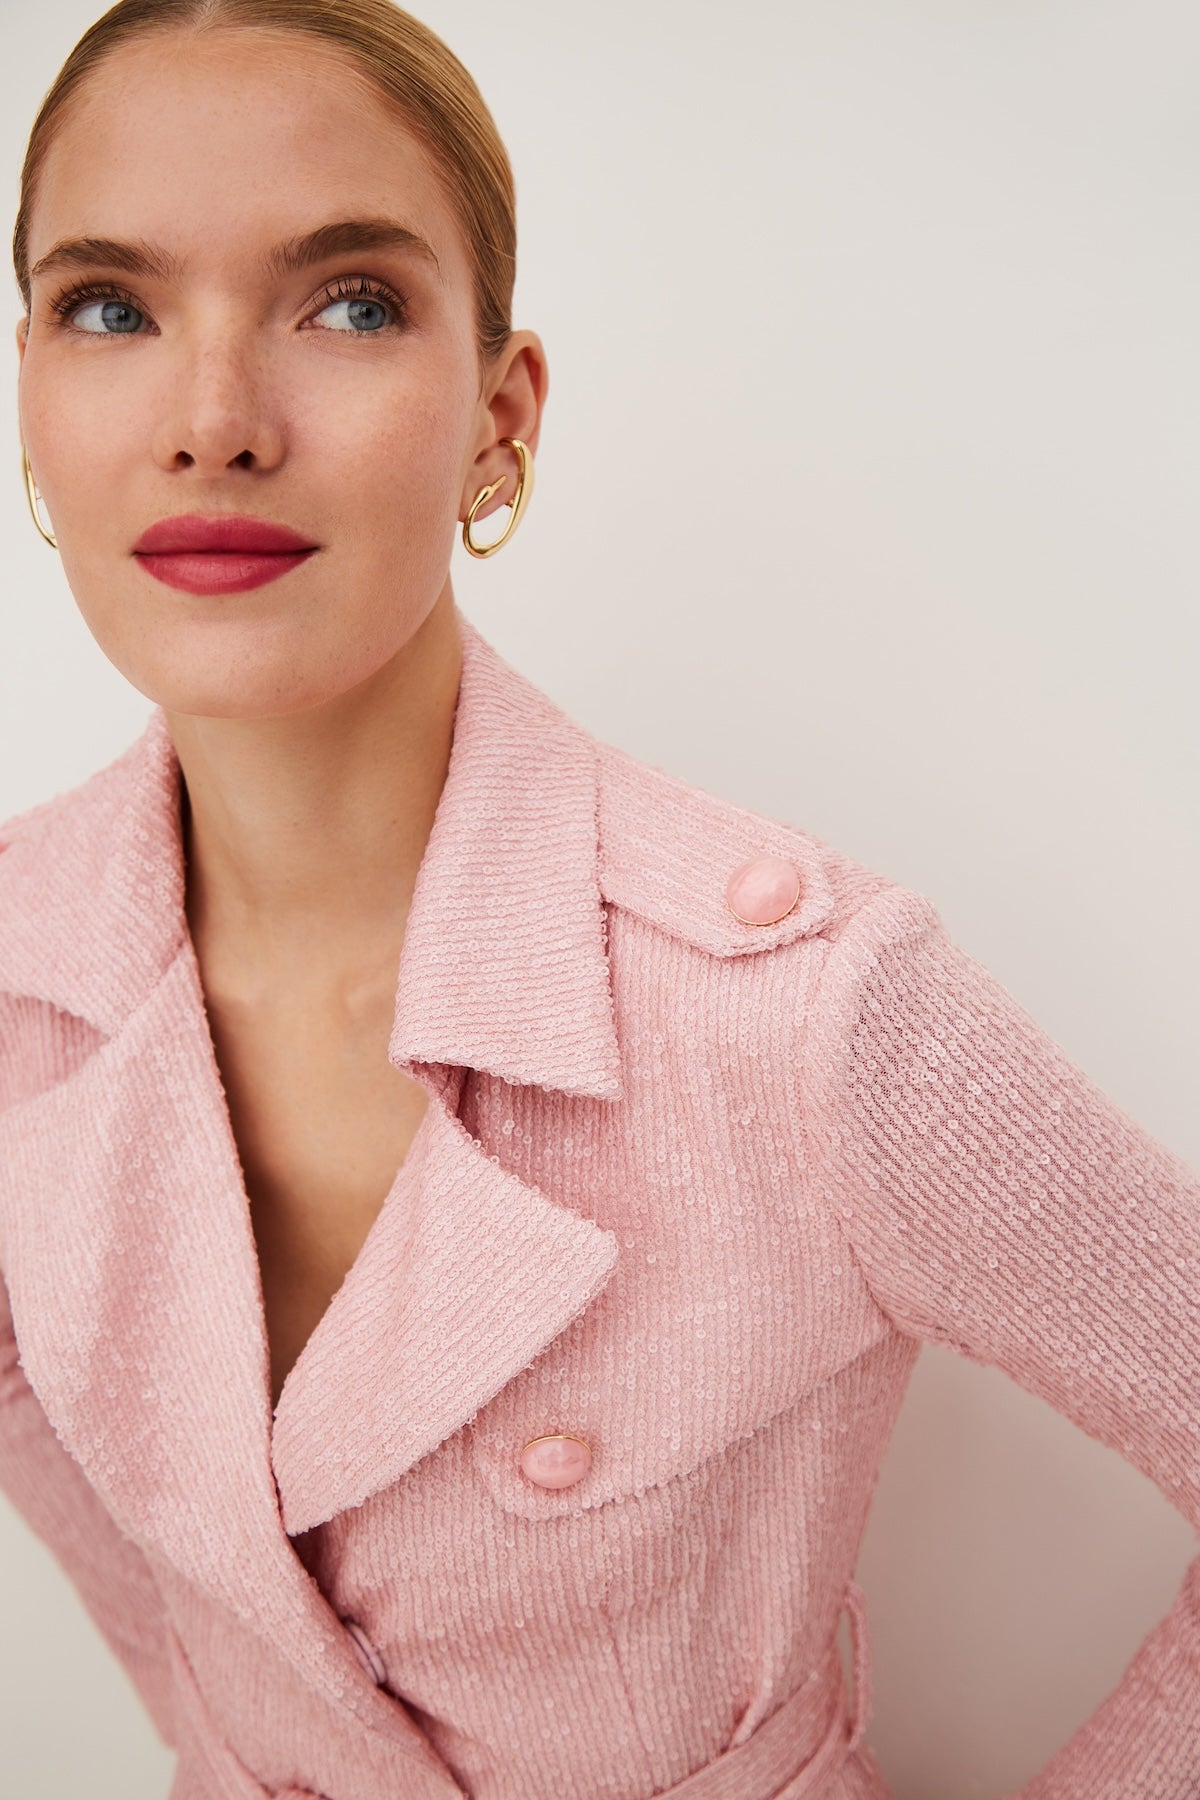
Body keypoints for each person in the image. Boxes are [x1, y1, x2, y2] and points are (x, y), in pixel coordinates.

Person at [2, 3, 1198, 1798]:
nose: (213, 422)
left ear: (499, 419)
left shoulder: (802, 1010)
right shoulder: (16, 971)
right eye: (110, 307)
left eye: (350, 303)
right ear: (29, 396)